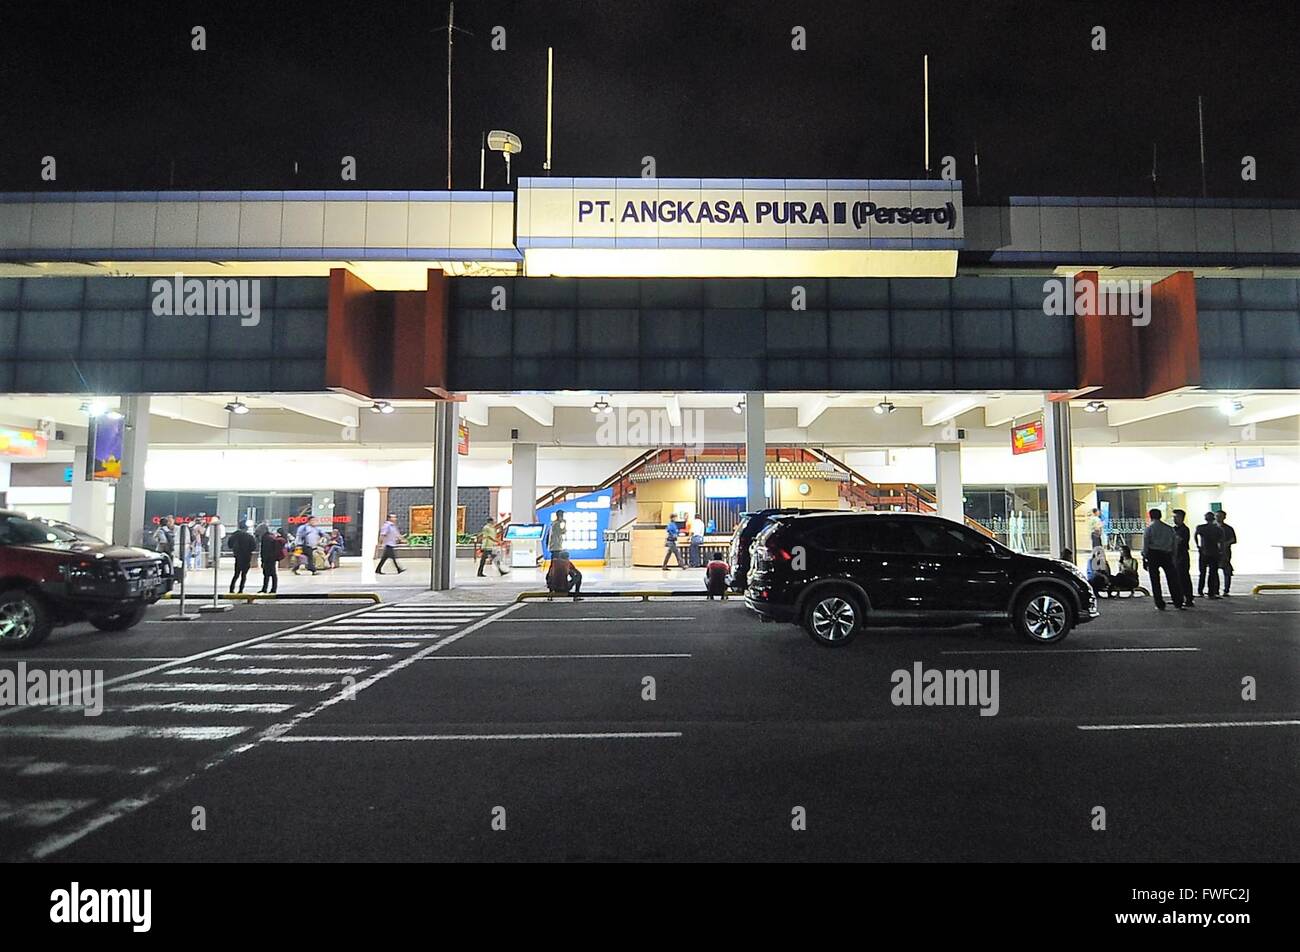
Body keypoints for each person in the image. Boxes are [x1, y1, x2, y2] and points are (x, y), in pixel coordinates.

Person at [1141, 508, 1184, 611]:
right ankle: (1178, 601)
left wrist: (1144, 556)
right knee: (1172, 579)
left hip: (1153, 554)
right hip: (1167, 554)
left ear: (1150, 516)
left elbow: (1146, 544)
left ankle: (1160, 603)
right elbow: (1174, 543)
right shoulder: (1169, 528)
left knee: (1155, 580)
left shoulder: (1149, 529)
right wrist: (1173, 555)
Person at [1194, 511, 1223, 599]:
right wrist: (1221, 551)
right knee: (1212, 573)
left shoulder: (1201, 527)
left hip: (1204, 552)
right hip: (1214, 552)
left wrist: (1198, 545)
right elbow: (1221, 541)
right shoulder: (1218, 529)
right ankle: (1211, 592)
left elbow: (1195, 536)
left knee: (1202, 573)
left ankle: (1200, 591)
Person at [1172, 509, 1195, 608]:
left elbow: (1178, 542)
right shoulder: (1174, 529)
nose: (1174, 519)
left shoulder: (1184, 529)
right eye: (1174, 517)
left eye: (1176, 517)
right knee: (1176, 578)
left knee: (1183, 577)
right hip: (1175, 556)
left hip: (1182, 555)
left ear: (1181, 518)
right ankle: (1179, 598)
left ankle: (1189, 598)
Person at [227, 521, 256, 593]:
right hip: (246, 557)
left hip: (238, 557)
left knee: (236, 574)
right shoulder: (249, 537)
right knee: (244, 575)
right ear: (246, 528)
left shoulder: (234, 535)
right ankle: (240, 590)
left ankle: (231, 589)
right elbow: (253, 547)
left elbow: (229, 545)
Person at [1215, 510, 1237, 596]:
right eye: (1217, 516)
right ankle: (1215, 590)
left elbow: (1233, 539)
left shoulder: (1228, 528)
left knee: (1227, 571)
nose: (1218, 518)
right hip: (1214, 552)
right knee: (1214, 571)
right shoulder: (1212, 528)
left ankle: (1226, 590)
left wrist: (1225, 544)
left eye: (1220, 516)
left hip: (1226, 552)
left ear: (1224, 517)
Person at [259, 526, 283, 593]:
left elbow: (265, 550)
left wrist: (263, 560)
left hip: (268, 559)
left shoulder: (265, 538)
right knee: (272, 574)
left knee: (268, 574)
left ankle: (267, 589)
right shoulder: (271, 536)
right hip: (272, 558)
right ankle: (272, 588)